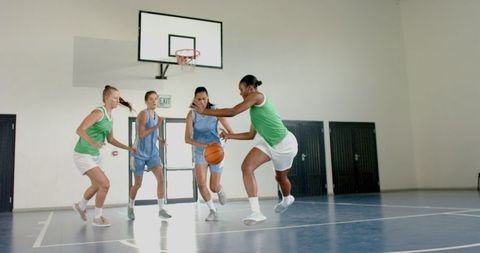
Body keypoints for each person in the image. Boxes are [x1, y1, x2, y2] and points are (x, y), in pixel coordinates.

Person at [192, 75, 298, 225]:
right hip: (268, 143)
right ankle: (256, 212)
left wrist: (205, 111)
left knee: (280, 178)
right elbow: (250, 135)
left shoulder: (258, 96)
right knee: (246, 167)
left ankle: (287, 199)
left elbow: (232, 112)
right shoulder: (253, 111)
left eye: (241, 89)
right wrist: (229, 135)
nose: (240, 93)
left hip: (285, 145)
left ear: (250, 88)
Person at [73, 85, 136, 227]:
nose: (117, 100)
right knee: (105, 184)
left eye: (118, 98)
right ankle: (97, 218)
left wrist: (129, 148)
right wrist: (93, 142)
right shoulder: (98, 112)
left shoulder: (110, 118)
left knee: (97, 185)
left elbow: (111, 140)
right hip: (83, 153)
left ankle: (80, 206)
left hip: (95, 155)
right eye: (115, 98)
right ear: (106, 98)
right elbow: (79, 129)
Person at [185, 87, 234, 221]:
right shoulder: (192, 114)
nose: (202, 101)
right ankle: (213, 210)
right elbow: (187, 139)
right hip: (201, 151)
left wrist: (225, 134)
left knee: (213, 186)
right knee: (201, 183)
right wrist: (204, 146)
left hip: (216, 151)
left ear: (208, 98)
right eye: (199, 99)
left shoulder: (216, 112)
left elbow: (230, 132)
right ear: (195, 100)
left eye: (204, 99)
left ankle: (219, 189)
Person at [128, 91, 171, 220]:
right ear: (146, 101)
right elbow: (141, 135)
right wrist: (157, 126)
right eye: (151, 99)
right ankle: (130, 207)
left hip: (153, 154)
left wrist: (160, 138)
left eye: (156, 99)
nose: (154, 101)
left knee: (161, 179)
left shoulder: (156, 116)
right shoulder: (143, 114)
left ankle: (161, 209)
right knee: (138, 184)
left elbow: (152, 132)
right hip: (139, 153)